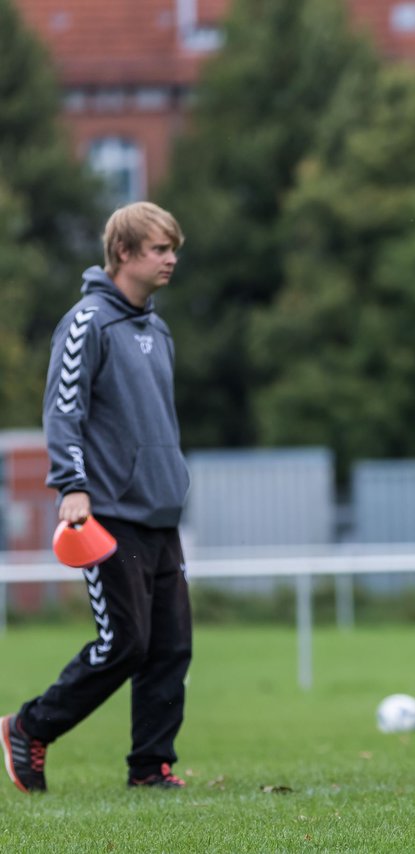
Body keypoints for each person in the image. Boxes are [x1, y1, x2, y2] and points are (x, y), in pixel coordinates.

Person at [2, 202, 192, 794]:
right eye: (160, 249)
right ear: (126, 254)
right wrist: (72, 485)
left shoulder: (156, 330)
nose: (171, 259)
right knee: (125, 644)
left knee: (170, 647)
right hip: (107, 514)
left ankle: (150, 768)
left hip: (161, 514)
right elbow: (63, 410)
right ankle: (29, 727)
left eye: (172, 248)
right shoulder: (86, 322)